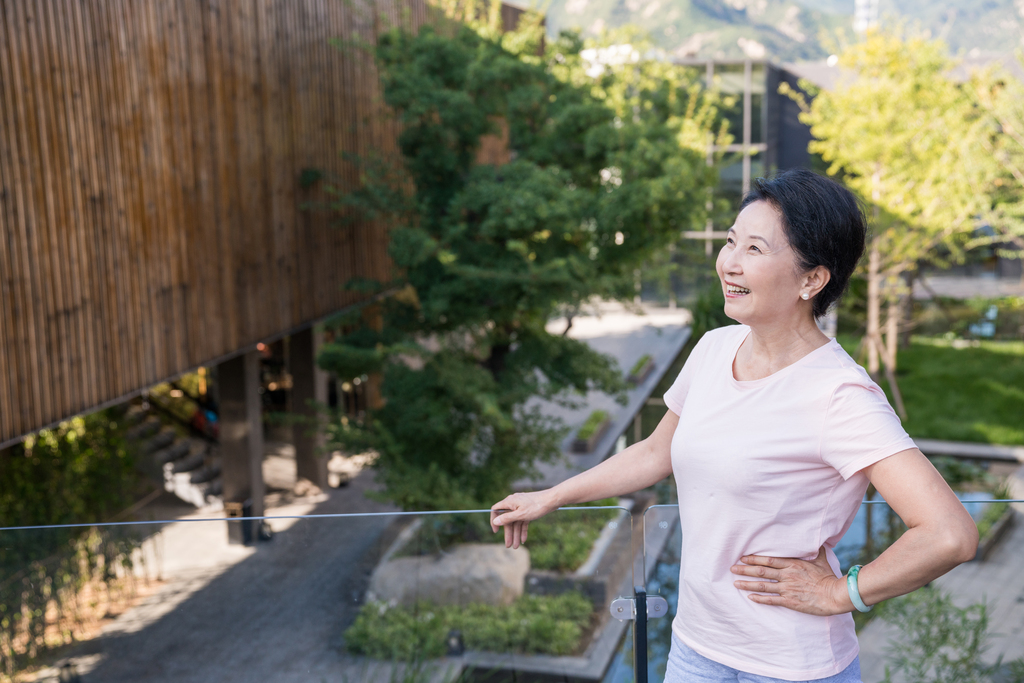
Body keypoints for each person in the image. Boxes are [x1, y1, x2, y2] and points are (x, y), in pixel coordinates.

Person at [490, 168, 979, 683]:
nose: (729, 262)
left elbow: (950, 534)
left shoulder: (839, 395)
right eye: (730, 241)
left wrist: (841, 591)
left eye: (755, 249)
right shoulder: (714, 348)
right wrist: (553, 496)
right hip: (695, 648)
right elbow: (656, 454)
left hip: (791, 667)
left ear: (812, 279)